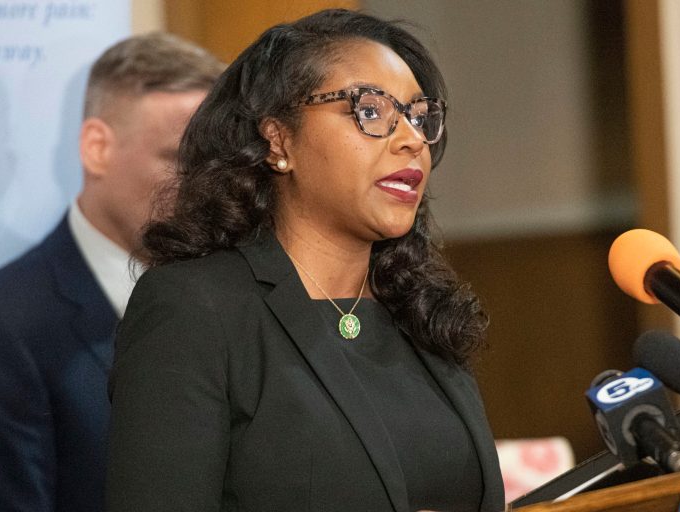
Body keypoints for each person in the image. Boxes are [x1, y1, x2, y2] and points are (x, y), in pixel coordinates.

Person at [106, 9, 504, 512]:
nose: (411, 139)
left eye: (419, 116)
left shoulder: (419, 307)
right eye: (371, 110)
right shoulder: (195, 309)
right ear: (279, 139)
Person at [0, 33, 224, 512]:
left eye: (214, 165)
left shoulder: (232, 297)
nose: (204, 188)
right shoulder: (10, 321)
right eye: (181, 160)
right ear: (96, 147)